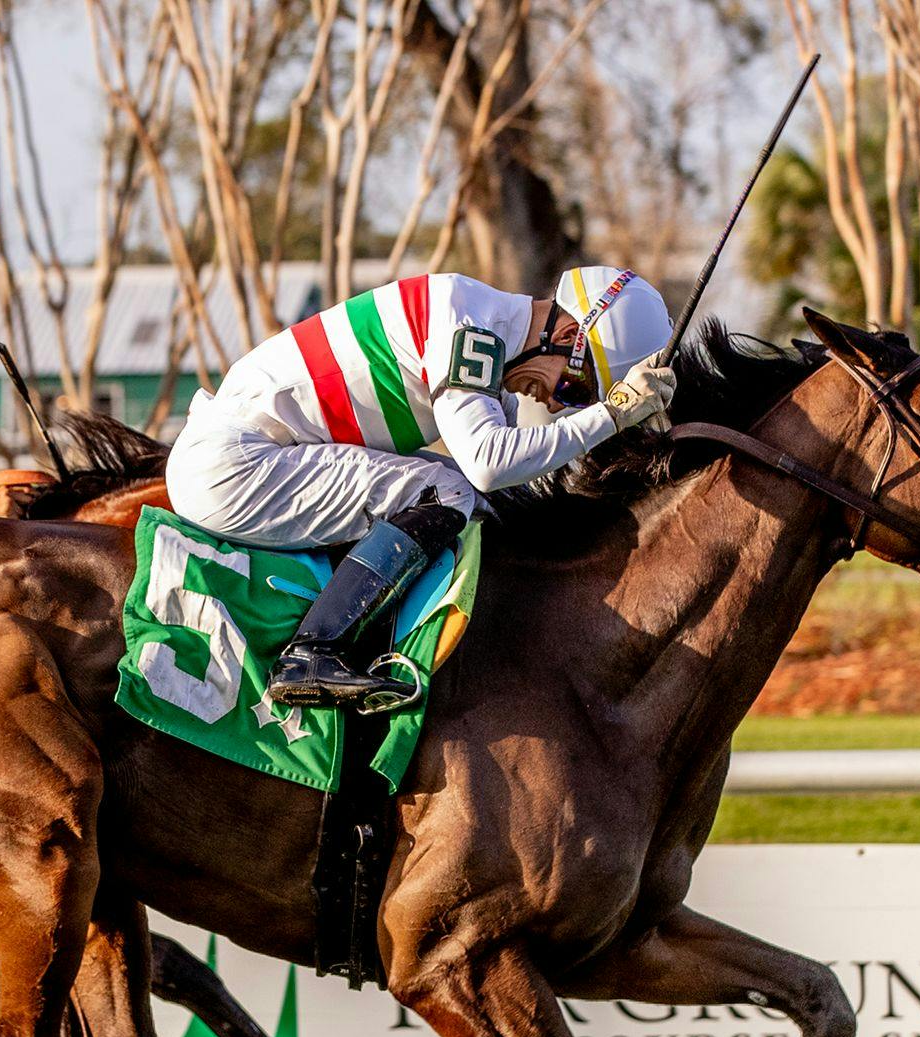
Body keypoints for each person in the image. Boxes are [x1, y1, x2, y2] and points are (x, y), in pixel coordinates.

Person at [164, 266, 679, 710]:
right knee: (448, 490)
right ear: (566, 335)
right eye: (572, 388)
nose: (557, 404)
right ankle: (312, 653)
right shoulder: (470, 328)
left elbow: (502, 480)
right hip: (234, 467)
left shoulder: (483, 328)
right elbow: (487, 465)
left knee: (458, 493)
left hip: (246, 457)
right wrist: (610, 416)